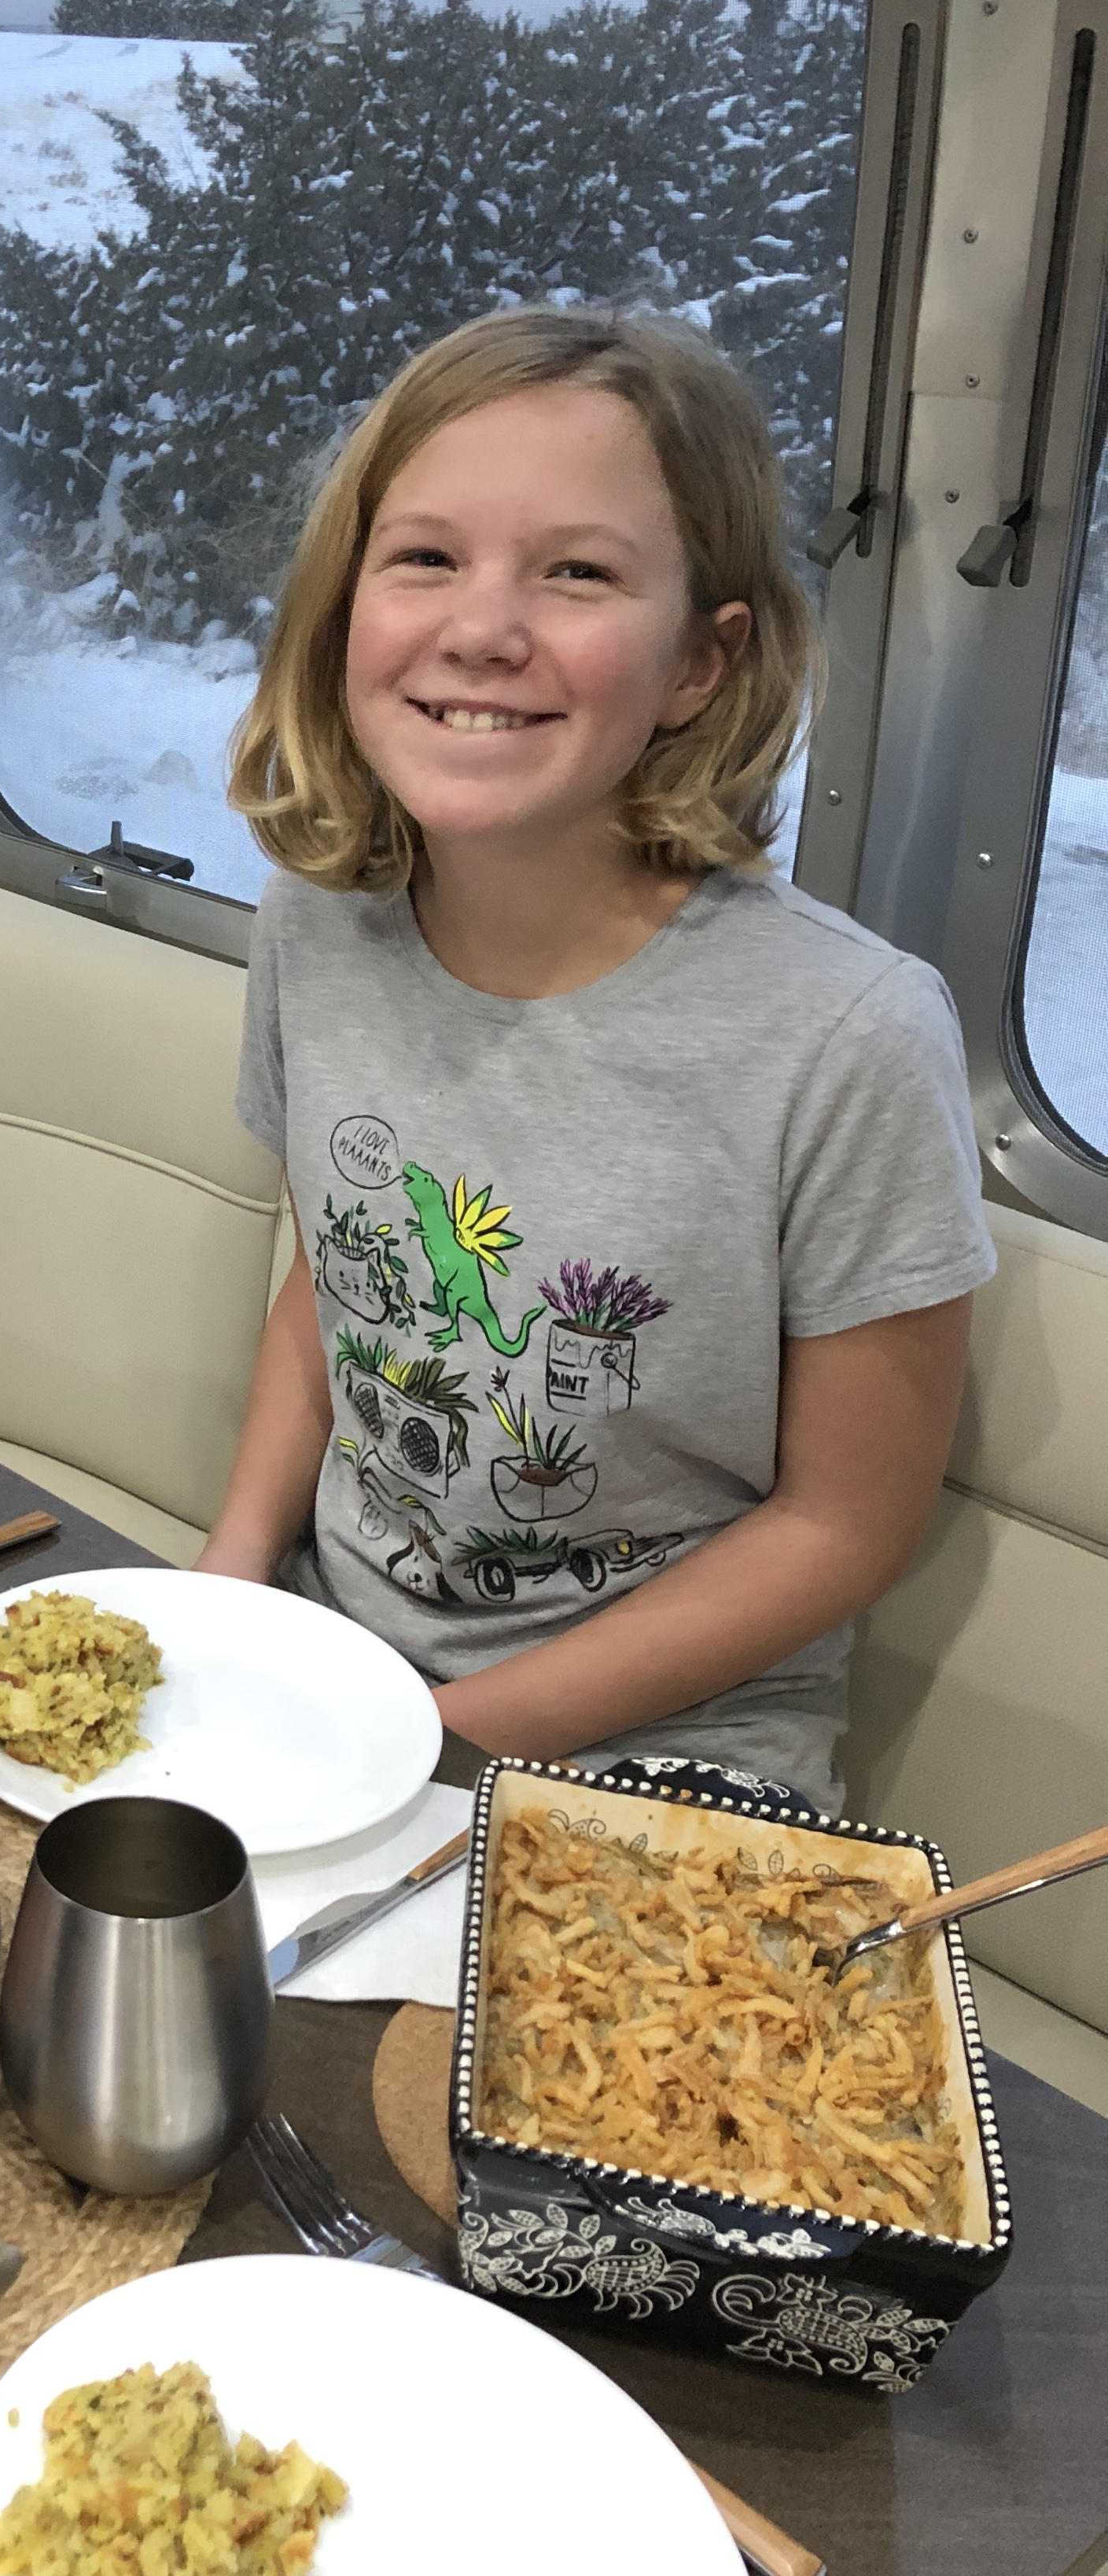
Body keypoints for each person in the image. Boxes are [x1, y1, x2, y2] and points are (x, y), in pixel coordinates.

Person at [197, 306, 993, 1809]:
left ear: (702, 659)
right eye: (425, 556)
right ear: (345, 606)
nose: (485, 626)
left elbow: (844, 1524)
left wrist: (449, 1742)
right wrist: (234, 1581)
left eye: (577, 573)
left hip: (667, 1748)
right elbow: (340, 1280)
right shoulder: (316, 921)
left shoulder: (848, 1032)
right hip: (338, 1669)